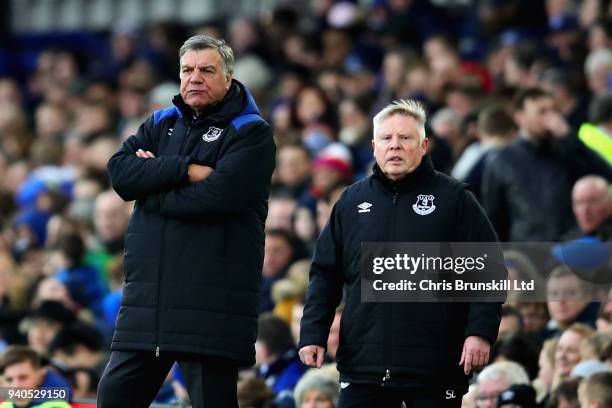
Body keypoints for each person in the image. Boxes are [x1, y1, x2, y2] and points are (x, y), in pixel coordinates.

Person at [97, 34, 276, 408]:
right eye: (187, 70)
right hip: (149, 306)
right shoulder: (162, 122)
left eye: (206, 70)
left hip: (210, 307)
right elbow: (121, 174)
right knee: (112, 399)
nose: (194, 78)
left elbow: (217, 198)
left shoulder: (251, 132)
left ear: (228, 77)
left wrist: (152, 186)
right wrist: (184, 170)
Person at [298, 99, 502, 407]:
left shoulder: (455, 199)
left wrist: (480, 333)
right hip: (363, 366)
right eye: (386, 138)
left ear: (423, 145)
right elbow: (325, 274)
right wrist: (313, 333)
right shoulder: (351, 203)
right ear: (374, 146)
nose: (395, 146)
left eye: (405, 138)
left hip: (434, 367)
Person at [481, 87, 612, 242]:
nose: (550, 117)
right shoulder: (501, 160)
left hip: (569, 246)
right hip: (527, 252)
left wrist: (569, 137)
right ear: (520, 118)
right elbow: (493, 217)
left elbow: (604, 174)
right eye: (542, 112)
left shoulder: (567, 149)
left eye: (553, 110)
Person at [0, 345, 71, 408]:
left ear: (40, 377)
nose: (16, 386)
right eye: (9, 380)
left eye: (23, 378)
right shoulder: (5, 405)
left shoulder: (56, 406)